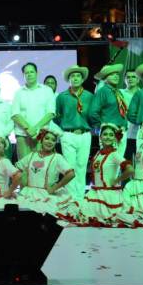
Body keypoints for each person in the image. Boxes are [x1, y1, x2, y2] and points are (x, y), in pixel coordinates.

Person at [79, 123, 143, 228]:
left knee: (104, 217)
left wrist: (117, 180)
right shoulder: (98, 153)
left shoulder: (114, 154)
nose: (108, 137)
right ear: (100, 137)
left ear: (115, 138)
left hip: (108, 196)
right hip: (95, 193)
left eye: (111, 135)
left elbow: (130, 169)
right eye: (105, 134)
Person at [16, 127, 79, 223]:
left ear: (55, 143)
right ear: (41, 140)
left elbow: (71, 174)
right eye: (47, 138)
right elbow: (16, 170)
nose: (50, 142)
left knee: (45, 220)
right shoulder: (32, 155)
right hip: (29, 194)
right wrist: (22, 182)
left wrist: (55, 187)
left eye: (53, 140)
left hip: (47, 195)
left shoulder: (57, 157)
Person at [54, 65, 93, 201]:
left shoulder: (89, 96)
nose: (75, 78)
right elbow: (56, 116)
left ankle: (80, 197)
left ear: (82, 79)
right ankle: (71, 197)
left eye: (78, 76)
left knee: (82, 166)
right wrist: (63, 132)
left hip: (85, 134)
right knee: (70, 167)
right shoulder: (62, 96)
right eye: (72, 76)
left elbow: (93, 115)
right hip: (68, 134)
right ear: (68, 79)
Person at [12, 62, 56, 160]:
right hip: (22, 135)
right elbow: (15, 115)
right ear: (23, 75)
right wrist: (29, 129)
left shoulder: (47, 90)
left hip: (42, 136)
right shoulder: (18, 93)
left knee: (41, 168)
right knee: (24, 168)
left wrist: (35, 129)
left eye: (31, 72)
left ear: (37, 73)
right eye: (26, 73)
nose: (29, 74)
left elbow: (50, 113)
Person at [88, 63, 129, 158]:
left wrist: (124, 126)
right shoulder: (102, 91)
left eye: (117, 74)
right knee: (109, 162)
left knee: (119, 164)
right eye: (112, 74)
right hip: (109, 133)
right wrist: (103, 128)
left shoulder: (118, 92)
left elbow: (122, 110)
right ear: (105, 78)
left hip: (122, 131)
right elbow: (93, 112)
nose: (115, 76)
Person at [120, 70, 141, 159]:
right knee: (124, 163)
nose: (130, 79)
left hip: (140, 135)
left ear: (138, 80)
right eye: (128, 77)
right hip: (123, 133)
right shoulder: (119, 93)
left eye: (133, 77)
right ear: (124, 79)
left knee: (140, 164)